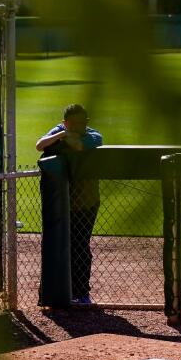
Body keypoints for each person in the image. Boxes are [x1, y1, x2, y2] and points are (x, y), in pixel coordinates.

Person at [34, 104, 105, 305]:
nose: (80, 127)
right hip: (62, 204)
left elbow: (80, 145)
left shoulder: (94, 136)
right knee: (59, 244)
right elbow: (40, 145)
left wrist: (65, 138)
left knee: (80, 245)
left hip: (87, 202)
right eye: (75, 124)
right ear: (65, 123)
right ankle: (60, 293)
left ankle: (82, 292)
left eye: (83, 123)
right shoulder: (60, 131)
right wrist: (61, 135)